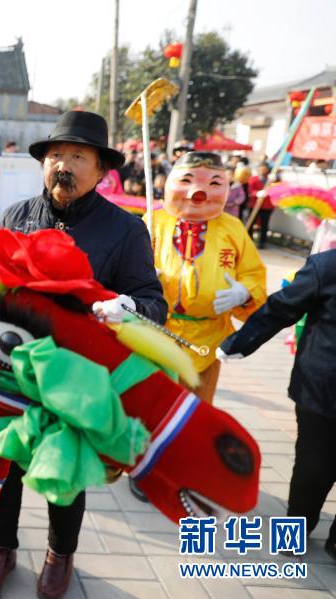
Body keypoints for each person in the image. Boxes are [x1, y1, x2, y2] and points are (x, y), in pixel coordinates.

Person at [0, 110, 167, 598]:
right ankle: (0, 547)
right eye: (54, 156)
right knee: (3, 464)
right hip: (11, 365)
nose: (62, 166)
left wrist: (127, 306)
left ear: (102, 169)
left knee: (64, 472)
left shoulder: (126, 231)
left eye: (76, 156)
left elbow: (154, 303)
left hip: (77, 373)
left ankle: (58, 555)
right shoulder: (17, 215)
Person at [218, 248, 336, 564]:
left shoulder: (326, 263)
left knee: (313, 466)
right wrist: (237, 344)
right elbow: (281, 308)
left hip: (320, 386)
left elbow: (280, 308)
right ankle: (294, 533)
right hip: (323, 390)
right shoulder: (328, 266)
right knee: (313, 465)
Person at [147, 151, 266, 406]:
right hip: (158, 332)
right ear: (169, 182)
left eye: (213, 183)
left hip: (208, 337)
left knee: (197, 409)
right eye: (186, 181)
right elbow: (128, 268)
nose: (197, 192)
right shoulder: (153, 221)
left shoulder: (232, 228)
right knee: (155, 406)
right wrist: (143, 277)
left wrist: (244, 292)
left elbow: (252, 272)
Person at [248, 162, 274, 248]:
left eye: (265, 169)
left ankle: (262, 242)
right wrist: (257, 193)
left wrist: (275, 181)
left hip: (267, 205)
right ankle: (248, 240)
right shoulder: (253, 179)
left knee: (264, 224)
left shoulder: (271, 179)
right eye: (261, 168)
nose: (263, 170)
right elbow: (250, 192)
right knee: (251, 222)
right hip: (255, 204)